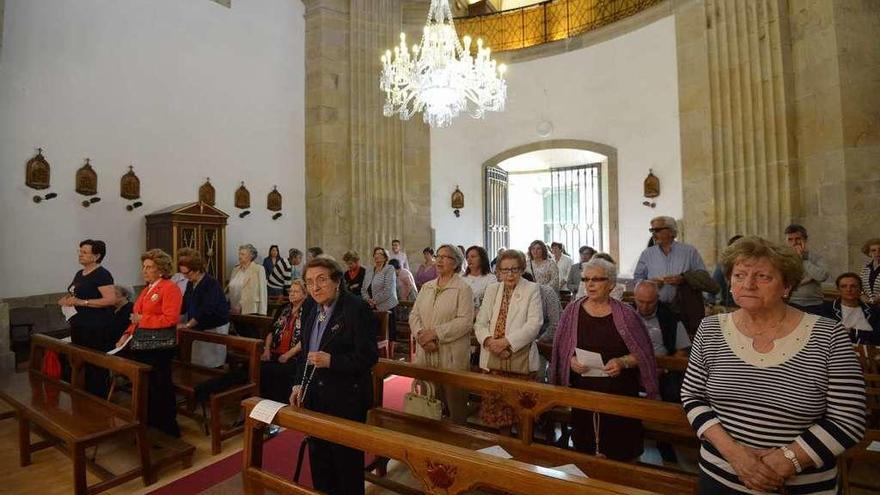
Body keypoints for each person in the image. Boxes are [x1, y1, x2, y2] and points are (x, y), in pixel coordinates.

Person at [681, 236, 865, 494]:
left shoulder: (828, 335)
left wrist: (786, 461)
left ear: (787, 285)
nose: (748, 285)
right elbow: (692, 396)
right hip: (719, 476)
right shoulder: (710, 328)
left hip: (799, 484)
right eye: (739, 275)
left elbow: (848, 419)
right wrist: (735, 455)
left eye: (763, 277)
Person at [550, 258, 658, 461]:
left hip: (619, 392)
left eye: (596, 279)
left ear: (610, 283)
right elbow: (561, 351)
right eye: (586, 279)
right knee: (585, 451)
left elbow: (643, 354)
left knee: (620, 453)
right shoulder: (572, 312)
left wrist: (622, 362)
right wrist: (571, 361)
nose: (589, 284)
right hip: (584, 391)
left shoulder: (627, 314)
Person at [290, 257, 379, 495]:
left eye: (321, 280)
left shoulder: (356, 308)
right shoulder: (309, 306)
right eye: (309, 282)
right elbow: (305, 353)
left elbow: (369, 356)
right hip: (314, 397)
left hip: (346, 398)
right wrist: (298, 383)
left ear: (337, 281)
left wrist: (333, 361)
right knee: (320, 463)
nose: (315, 287)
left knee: (346, 466)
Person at [116, 249, 183, 437]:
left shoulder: (170, 288)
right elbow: (135, 319)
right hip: (143, 344)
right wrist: (126, 334)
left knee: (161, 385)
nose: (144, 270)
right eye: (144, 267)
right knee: (148, 387)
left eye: (149, 267)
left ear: (161, 270)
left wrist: (142, 319)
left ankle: (168, 427)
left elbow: (170, 319)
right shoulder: (147, 289)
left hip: (160, 347)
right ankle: (151, 422)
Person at [474, 249, 543, 428]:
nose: (510, 274)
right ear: (498, 271)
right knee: (497, 416)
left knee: (522, 415)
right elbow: (480, 323)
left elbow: (534, 324)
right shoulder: (492, 289)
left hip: (520, 362)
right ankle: (500, 452)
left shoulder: (531, 289)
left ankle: (523, 452)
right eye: (505, 270)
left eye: (514, 269)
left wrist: (506, 343)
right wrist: (489, 342)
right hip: (492, 360)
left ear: (522, 269)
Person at [409, 244, 475, 423]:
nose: (439, 260)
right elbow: (414, 315)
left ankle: (456, 447)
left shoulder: (463, 288)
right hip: (426, 353)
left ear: (455, 263)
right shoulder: (427, 287)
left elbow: (465, 321)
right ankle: (431, 445)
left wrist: (435, 333)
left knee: (455, 408)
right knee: (429, 404)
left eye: (445, 257)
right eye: (438, 256)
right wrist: (421, 335)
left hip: (451, 357)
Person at [632, 280, 690, 462]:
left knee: (672, 394)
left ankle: (665, 444)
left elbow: (681, 351)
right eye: (640, 301)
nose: (644, 306)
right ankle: (630, 444)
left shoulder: (671, 317)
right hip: (631, 370)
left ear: (657, 299)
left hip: (663, 371)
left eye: (649, 302)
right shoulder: (626, 314)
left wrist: (664, 367)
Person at [59, 239, 116, 397]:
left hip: (96, 327)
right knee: (79, 362)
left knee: (95, 366)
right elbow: (75, 293)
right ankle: (81, 396)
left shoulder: (102, 274)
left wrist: (82, 302)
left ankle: (98, 399)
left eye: (85, 252)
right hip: (79, 325)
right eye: (80, 251)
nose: (80, 255)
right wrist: (66, 299)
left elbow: (110, 300)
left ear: (97, 256)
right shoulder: (80, 273)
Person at [633, 216, 707, 304]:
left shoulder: (689, 252)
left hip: (683, 307)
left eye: (657, 230)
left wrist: (684, 279)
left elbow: (703, 276)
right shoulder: (647, 254)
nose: (653, 234)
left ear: (672, 232)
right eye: (652, 230)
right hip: (656, 307)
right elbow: (637, 279)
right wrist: (649, 284)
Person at [178, 248, 231, 368]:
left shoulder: (211, 283)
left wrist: (188, 325)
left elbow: (207, 308)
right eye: (183, 273)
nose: (185, 277)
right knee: (198, 360)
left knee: (211, 361)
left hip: (214, 325)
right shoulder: (190, 283)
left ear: (197, 270)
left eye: (187, 273)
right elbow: (184, 304)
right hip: (198, 325)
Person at [261, 280, 309, 403]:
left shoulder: (309, 311)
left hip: (294, 356)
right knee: (261, 369)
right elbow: (271, 331)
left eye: (296, 291)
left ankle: (280, 409)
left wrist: (288, 355)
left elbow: (306, 338)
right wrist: (266, 350)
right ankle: (261, 406)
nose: (292, 294)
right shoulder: (283, 308)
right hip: (274, 352)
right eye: (290, 291)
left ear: (305, 294)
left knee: (281, 373)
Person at [523, 272, 562, 383]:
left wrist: (537, 341)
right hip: (526, 338)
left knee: (537, 376)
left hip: (547, 337)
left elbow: (555, 324)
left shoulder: (547, 293)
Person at [821, 272, 880, 345]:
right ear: (838, 289)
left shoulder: (874, 311)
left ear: (860, 289)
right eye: (843, 286)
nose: (848, 289)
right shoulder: (826, 310)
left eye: (853, 286)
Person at [784, 224, 828, 314]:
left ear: (805, 239)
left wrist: (803, 260)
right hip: (792, 303)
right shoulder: (783, 258)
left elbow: (822, 276)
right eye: (790, 239)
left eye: (798, 239)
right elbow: (786, 281)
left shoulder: (816, 257)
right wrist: (809, 277)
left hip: (814, 303)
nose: (794, 243)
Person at [227, 244, 268, 316]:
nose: (239, 256)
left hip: (251, 309)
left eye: (242, 254)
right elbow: (230, 289)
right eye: (239, 254)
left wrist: (263, 312)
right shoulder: (235, 269)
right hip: (234, 309)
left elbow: (262, 291)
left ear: (251, 256)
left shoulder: (258, 269)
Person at [710, 235, 743, 308]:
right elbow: (713, 286)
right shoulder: (722, 266)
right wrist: (711, 303)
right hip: (731, 307)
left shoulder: (754, 266)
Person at [462, 245, 495, 309]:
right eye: (467, 257)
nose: (469, 259)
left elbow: (491, 301)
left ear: (482, 259)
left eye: (473, 257)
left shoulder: (491, 278)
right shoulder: (462, 278)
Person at [860, 238, 880, 305]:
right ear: (869, 253)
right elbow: (860, 287)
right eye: (873, 250)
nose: (877, 253)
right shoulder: (865, 268)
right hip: (867, 306)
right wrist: (862, 296)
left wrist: (872, 300)